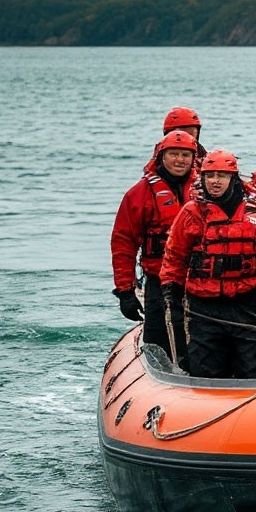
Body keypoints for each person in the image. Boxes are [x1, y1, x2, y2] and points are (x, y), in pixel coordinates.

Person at [159, 149, 256, 378]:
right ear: (202, 178)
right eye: (209, 176)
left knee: (255, 370)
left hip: (251, 306)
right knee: (205, 372)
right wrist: (171, 291)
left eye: (221, 176)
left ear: (233, 178)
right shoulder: (191, 213)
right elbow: (174, 258)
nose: (215, 181)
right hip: (205, 309)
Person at [110, 129, 198, 363]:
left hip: (201, 280)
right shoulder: (140, 194)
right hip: (160, 281)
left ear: (194, 158)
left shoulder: (208, 187)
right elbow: (123, 242)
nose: (180, 160)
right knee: (158, 340)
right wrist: (125, 291)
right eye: (174, 154)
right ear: (161, 156)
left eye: (185, 155)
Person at [143, 107, 206, 173]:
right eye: (179, 135)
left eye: (191, 134)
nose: (185, 139)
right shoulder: (157, 161)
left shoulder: (204, 156)